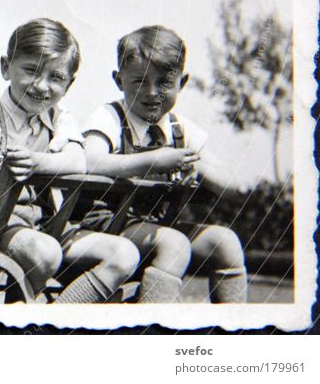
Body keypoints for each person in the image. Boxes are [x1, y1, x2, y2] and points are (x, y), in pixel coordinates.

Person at [0, 18, 139, 302]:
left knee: (125, 254)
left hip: (50, 227)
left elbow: (78, 161)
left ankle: (55, 321)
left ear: (69, 84)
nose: (42, 86)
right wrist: (7, 186)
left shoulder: (59, 117)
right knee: (46, 252)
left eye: (56, 77)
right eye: (31, 70)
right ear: (6, 68)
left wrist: (36, 163)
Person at [84, 25, 254, 303]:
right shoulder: (109, 118)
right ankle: (153, 330)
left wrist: (195, 165)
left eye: (164, 82)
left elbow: (235, 186)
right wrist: (153, 160)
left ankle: (233, 332)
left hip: (159, 226)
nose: (152, 93)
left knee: (225, 244)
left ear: (182, 83)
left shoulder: (181, 129)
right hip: (107, 225)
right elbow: (89, 162)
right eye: (139, 81)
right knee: (174, 244)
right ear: (119, 80)